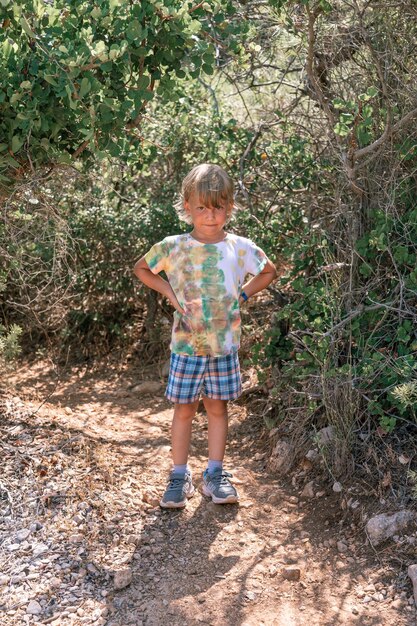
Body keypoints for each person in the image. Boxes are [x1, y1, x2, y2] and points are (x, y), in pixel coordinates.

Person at [133, 163, 277, 508]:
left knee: (217, 409)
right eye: (201, 207)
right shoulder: (174, 246)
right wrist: (168, 292)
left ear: (229, 207)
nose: (210, 215)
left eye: (218, 207)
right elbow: (141, 268)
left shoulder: (239, 247)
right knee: (183, 410)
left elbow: (269, 271)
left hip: (223, 346)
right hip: (186, 345)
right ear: (187, 207)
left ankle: (214, 475)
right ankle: (179, 476)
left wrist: (242, 295)